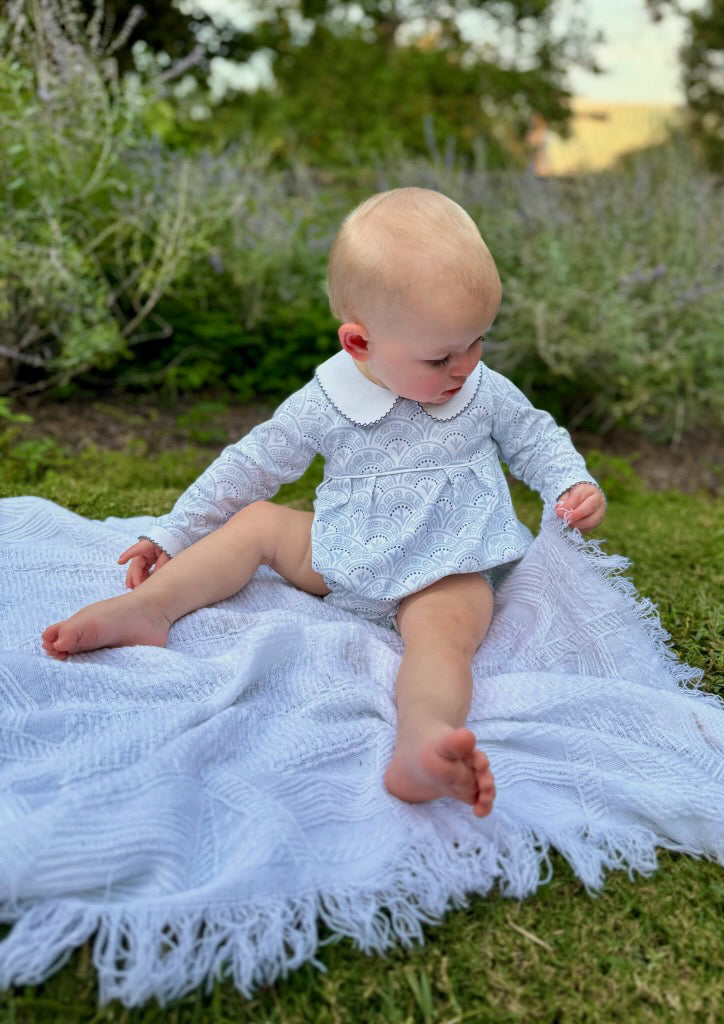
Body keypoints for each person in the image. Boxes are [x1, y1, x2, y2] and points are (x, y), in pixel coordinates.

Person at [41, 187, 606, 819]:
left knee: (443, 640)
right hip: (346, 550)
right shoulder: (326, 401)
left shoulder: (482, 390)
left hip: (450, 561)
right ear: (359, 344)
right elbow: (249, 466)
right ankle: (148, 608)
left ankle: (422, 744)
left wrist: (570, 485)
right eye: (440, 355)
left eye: (477, 342)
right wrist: (172, 533)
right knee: (258, 522)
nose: (463, 366)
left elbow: (535, 435)